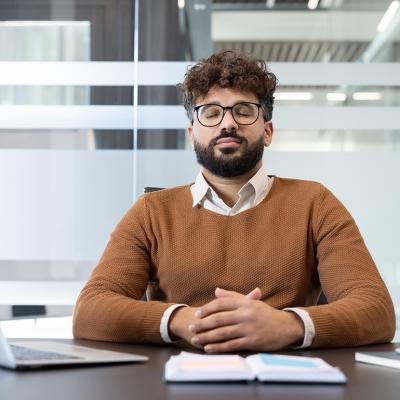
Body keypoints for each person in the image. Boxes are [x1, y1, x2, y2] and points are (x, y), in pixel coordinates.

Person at [73, 51, 395, 352]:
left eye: (243, 111)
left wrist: (289, 324)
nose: (228, 123)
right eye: (211, 113)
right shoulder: (150, 213)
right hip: (177, 383)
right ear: (191, 134)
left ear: (267, 131)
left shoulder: (316, 204)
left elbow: (375, 310)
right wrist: (182, 320)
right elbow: (91, 310)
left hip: (286, 381)